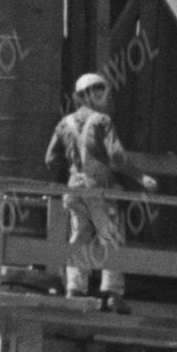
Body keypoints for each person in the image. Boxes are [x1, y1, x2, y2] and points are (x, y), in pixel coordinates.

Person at [49, 65, 130, 303]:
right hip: (100, 189)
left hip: (75, 188)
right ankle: (112, 291)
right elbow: (116, 156)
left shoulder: (65, 123)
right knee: (111, 237)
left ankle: (75, 289)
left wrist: (73, 170)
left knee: (80, 236)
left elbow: (50, 159)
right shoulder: (103, 122)